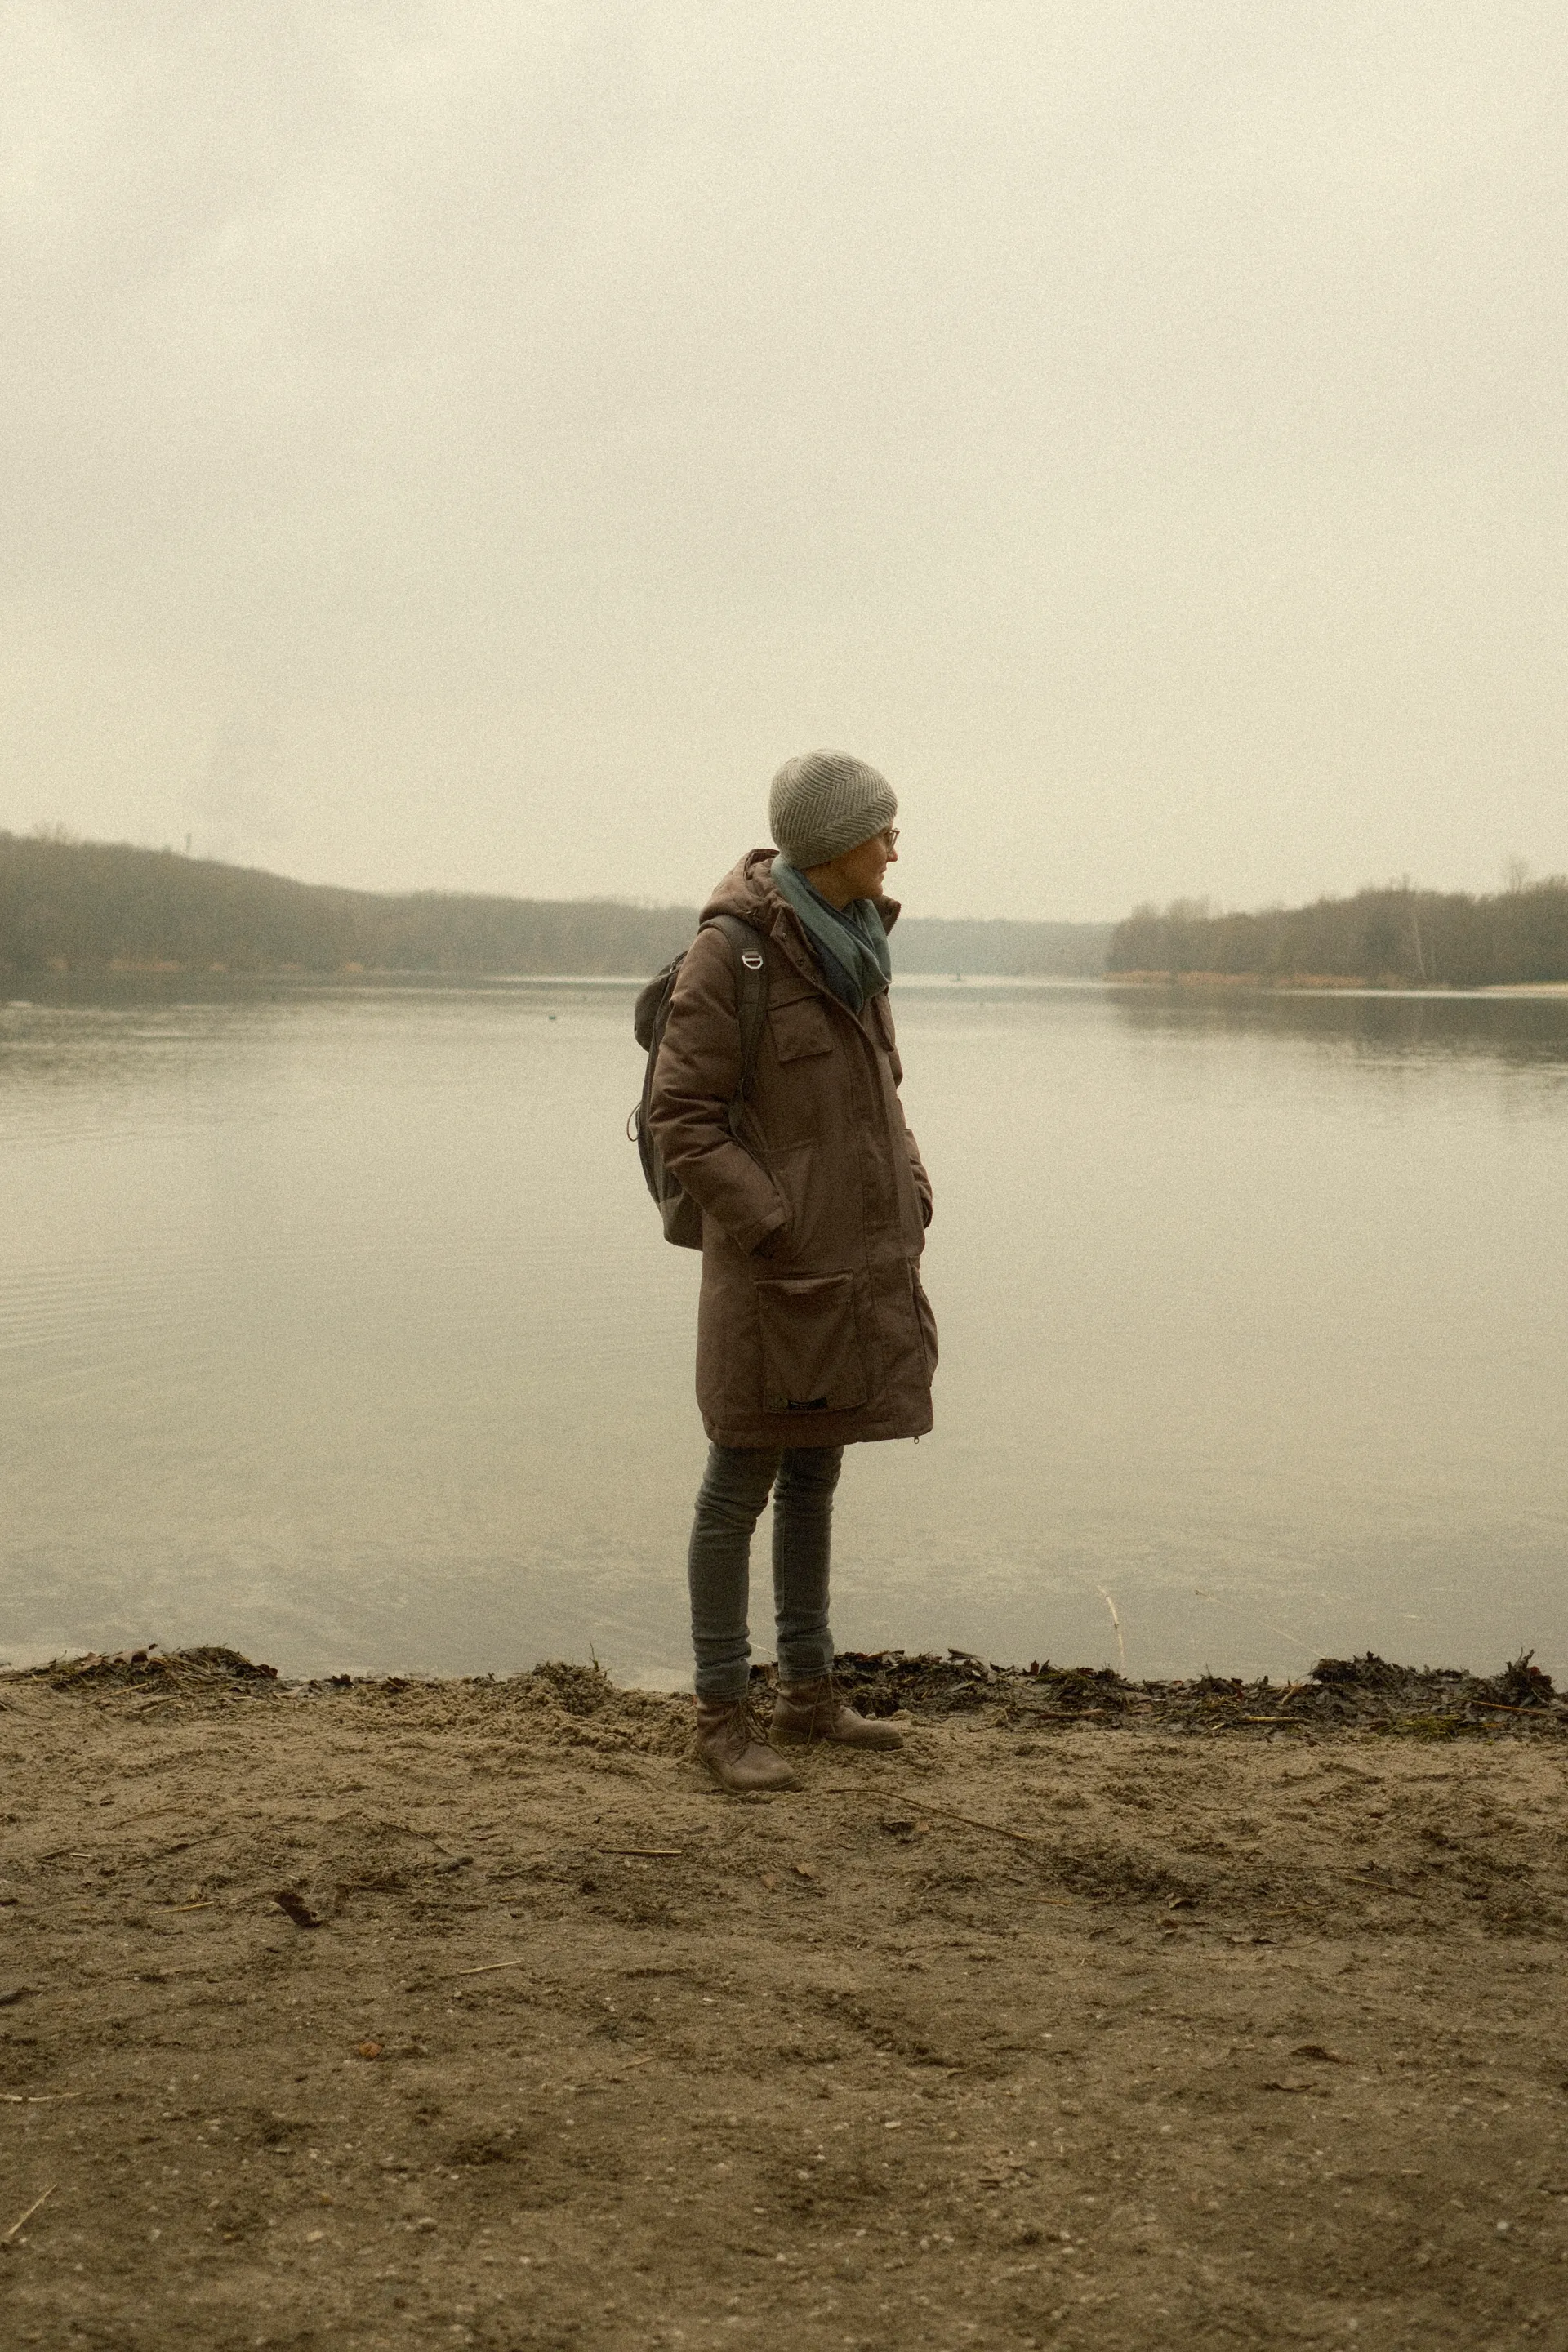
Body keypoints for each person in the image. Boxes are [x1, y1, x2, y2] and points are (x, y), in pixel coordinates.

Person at [647, 751, 938, 1792]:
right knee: (740, 1482)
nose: (896, 845)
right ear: (829, 845)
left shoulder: (858, 947)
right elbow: (680, 1116)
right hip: (773, 1272)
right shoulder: (733, 958)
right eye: (882, 829)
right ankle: (724, 1715)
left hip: (853, 1262)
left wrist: (912, 1183)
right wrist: (770, 1219)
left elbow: (881, 1098)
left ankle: (809, 1694)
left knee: (818, 1466)